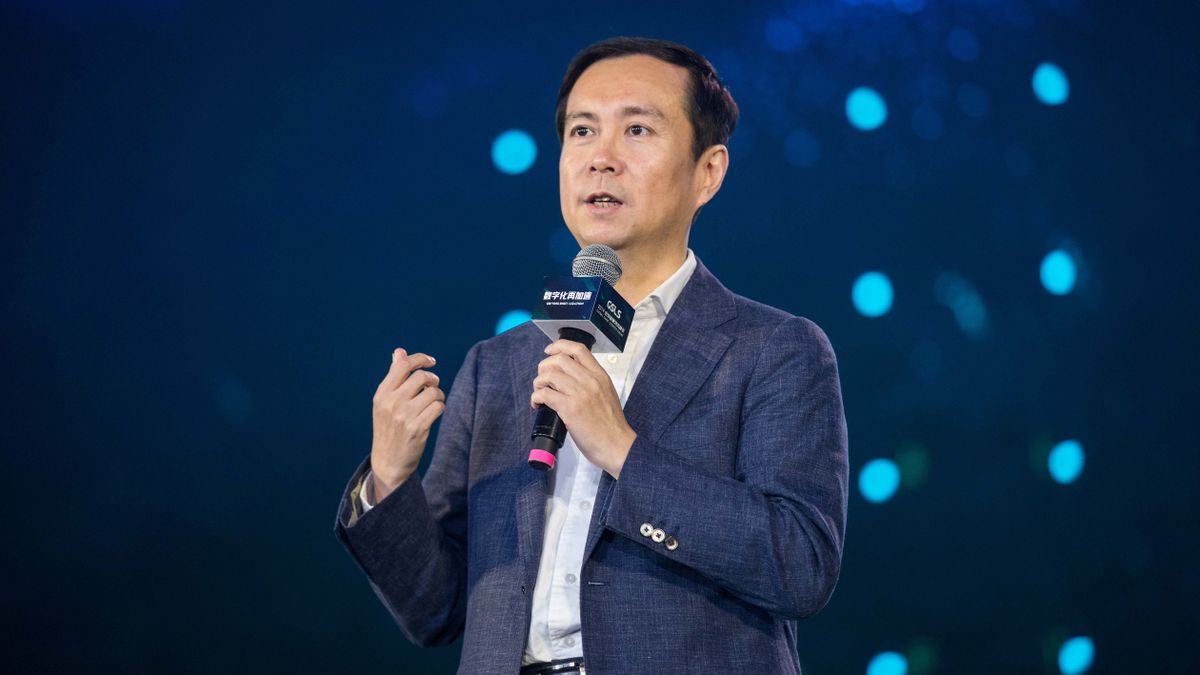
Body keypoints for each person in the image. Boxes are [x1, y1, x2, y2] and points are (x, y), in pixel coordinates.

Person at [334, 36, 849, 675]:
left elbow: (801, 567)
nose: (600, 158)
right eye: (582, 131)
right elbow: (436, 611)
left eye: (637, 129)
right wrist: (388, 479)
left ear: (707, 172)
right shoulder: (499, 365)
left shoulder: (775, 348)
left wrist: (623, 452)